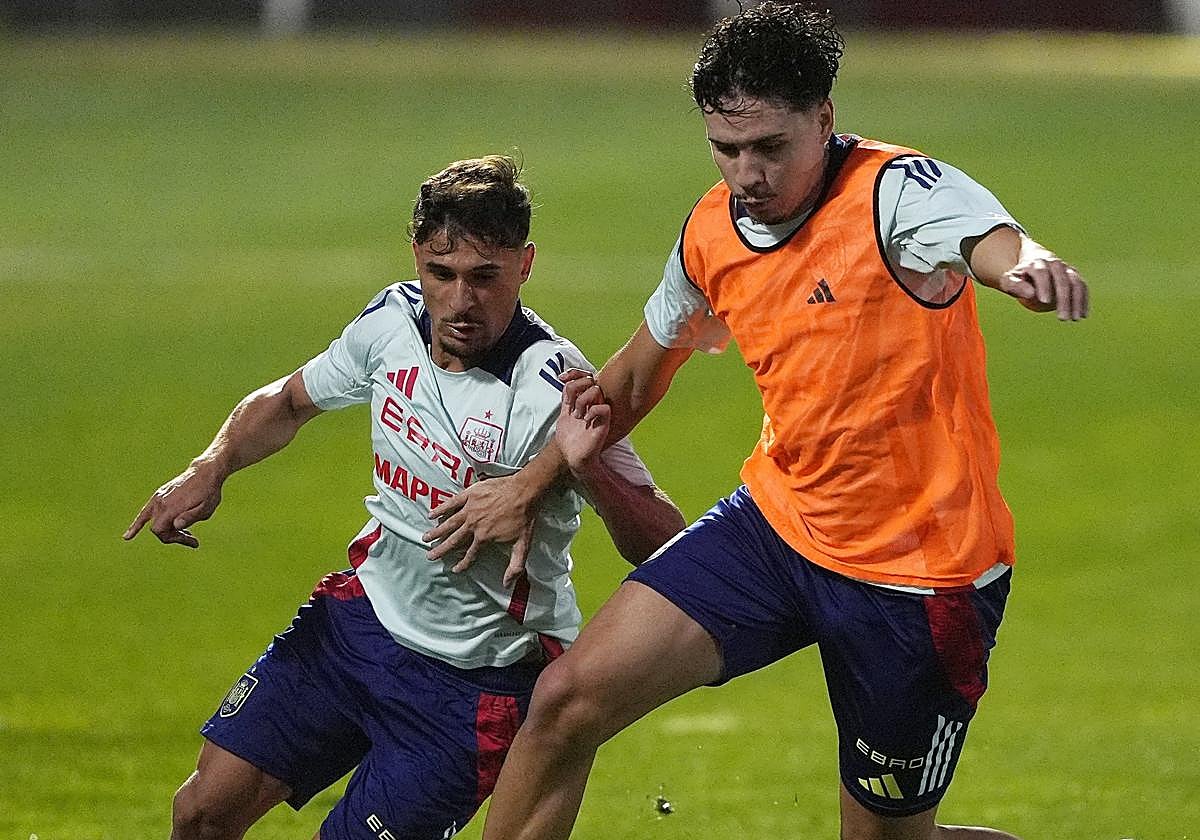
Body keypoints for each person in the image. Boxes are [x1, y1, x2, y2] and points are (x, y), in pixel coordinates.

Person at [422, 6, 1090, 840]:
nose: (747, 174)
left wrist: (1026, 268)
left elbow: (991, 237)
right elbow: (628, 379)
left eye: (770, 147)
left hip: (920, 573)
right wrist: (530, 483)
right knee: (564, 705)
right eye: (726, 148)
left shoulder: (897, 194)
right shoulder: (711, 230)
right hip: (776, 530)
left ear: (825, 121)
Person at [123, 155, 685, 840]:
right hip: (356, 626)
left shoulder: (555, 386)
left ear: (525, 264)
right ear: (417, 256)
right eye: (440, 275)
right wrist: (211, 466)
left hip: (472, 687)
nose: (459, 302)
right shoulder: (391, 323)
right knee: (201, 813)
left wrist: (588, 466)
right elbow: (291, 400)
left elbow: (663, 539)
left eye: (485, 278)